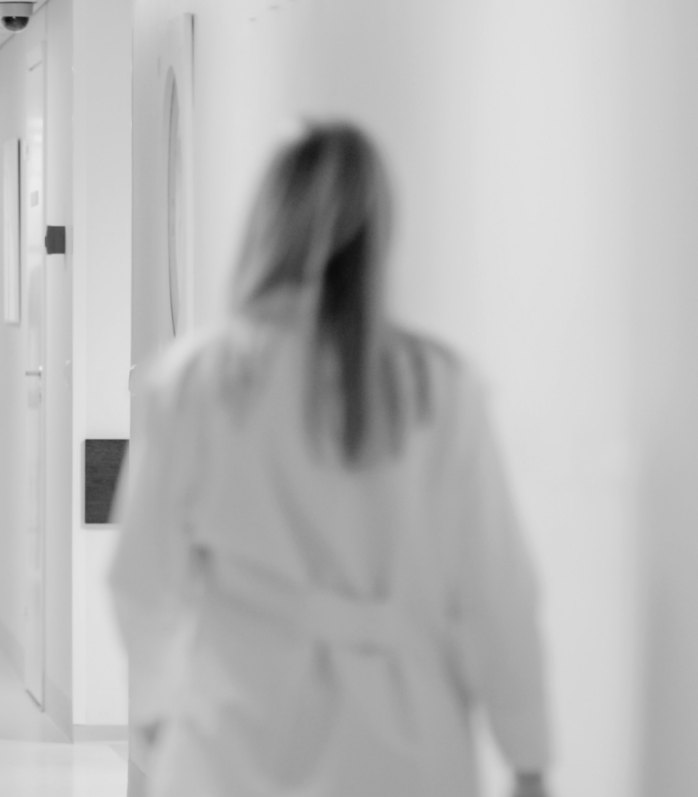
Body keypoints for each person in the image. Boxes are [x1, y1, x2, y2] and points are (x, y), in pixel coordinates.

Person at [108, 123, 552, 797]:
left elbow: (143, 575)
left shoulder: (196, 382)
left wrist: (156, 714)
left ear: (266, 227)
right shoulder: (435, 386)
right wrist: (528, 752)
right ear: (379, 236)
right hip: (405, 736)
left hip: (233, 727)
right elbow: (497, 588)